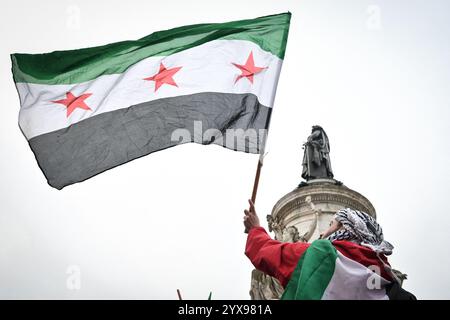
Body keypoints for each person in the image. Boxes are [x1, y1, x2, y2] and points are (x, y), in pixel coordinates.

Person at [243, 199, 416, 300]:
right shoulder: (385, 276)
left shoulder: (323, 255)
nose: (324, 231)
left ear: (344, 228)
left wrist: (255, 229)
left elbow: (271, 254)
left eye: (330, 224)